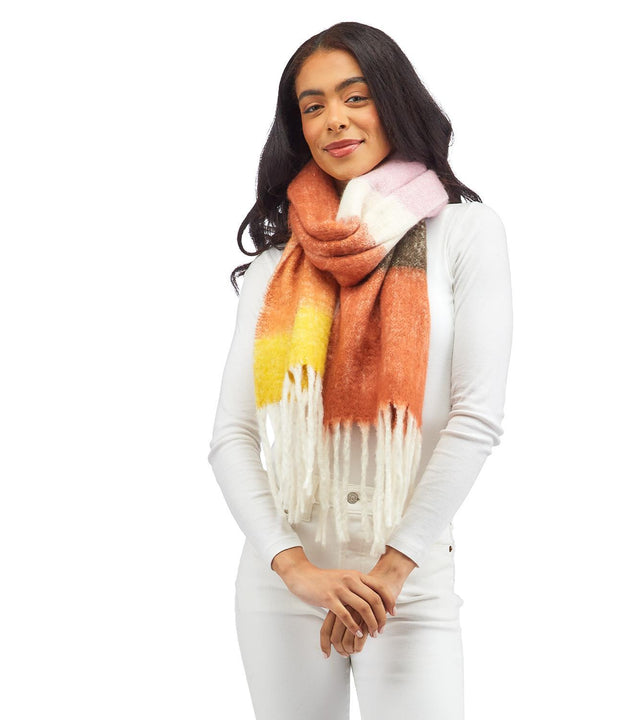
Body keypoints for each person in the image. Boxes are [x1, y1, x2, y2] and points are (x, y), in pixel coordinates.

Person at [207, 21, 513, 720]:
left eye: (356, 96)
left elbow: (476, 417)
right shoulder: (275, 264)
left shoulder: (465, 234)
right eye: (313, 106)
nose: (334, 120)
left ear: (394, 102)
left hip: (409, 580)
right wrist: (296, 569)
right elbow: (231, 435)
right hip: (284, 585)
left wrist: (390, 571)